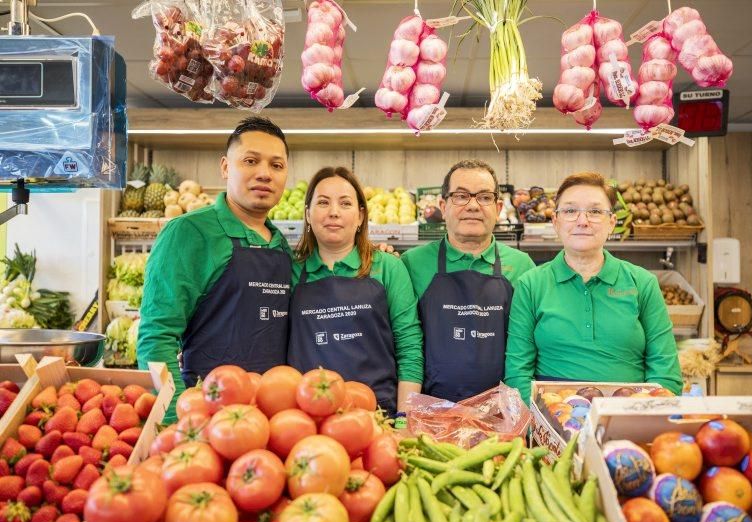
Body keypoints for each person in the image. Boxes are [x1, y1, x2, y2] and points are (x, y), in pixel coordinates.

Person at [137, 117, 293, 415]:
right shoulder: (188, 233)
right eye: (250, 161)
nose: (264, 174)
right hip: (205, 414)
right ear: (225, 167)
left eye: (276, 165)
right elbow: (157, 336)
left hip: (269, 420)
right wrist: (176, 417)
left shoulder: (280, 245)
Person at [504, 172, 683, 405]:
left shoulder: (642, 283)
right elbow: (517, 371)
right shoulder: (531, 284)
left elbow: (665, 371)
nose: (582, 220)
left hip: (627, 415)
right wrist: (542, 426)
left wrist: (642, 418)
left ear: (611, 222)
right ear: (556, 222)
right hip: (551, 417)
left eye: (595, 211)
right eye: (570, 211)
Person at [288, 167, 423, 414]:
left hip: (378, 417)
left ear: (361, 215)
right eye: (323, 202)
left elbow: (410, 348)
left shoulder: (388, 267)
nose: (334, 212)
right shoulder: (290, 272)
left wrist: (404, 419)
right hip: (308, 418)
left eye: (345, 203)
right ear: (307, 214)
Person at [401, 160, 535, 402]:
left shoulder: (524, 266)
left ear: (497, 207)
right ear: (443, 205)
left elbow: (526, 353)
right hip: (431, 412)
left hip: (501, 415)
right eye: (461, 196)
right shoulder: (410, 264)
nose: (473, 206)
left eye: (484, 197)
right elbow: (404, 345)